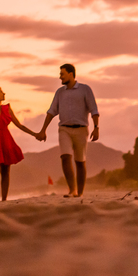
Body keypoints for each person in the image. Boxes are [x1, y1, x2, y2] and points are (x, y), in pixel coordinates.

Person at [36, 64, 99, 197]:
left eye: (62, 74)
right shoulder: (60, 92)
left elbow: (94, 109)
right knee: (65, 157)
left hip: (81, 129)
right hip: (64, 129)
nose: (60, 77)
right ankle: (72, 189)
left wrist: (96, 127)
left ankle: (79, 193)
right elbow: (52, 111)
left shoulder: (85, 89)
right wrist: (43, 130)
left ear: (71, 74)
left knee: (80, 161)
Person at [0, 86, 38, 201]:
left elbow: (19, 125)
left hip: (6, 140)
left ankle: (4, 199)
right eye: (1, 92)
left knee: (6, 170)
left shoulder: (7, 109)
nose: (4, 93)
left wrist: (34, 134)